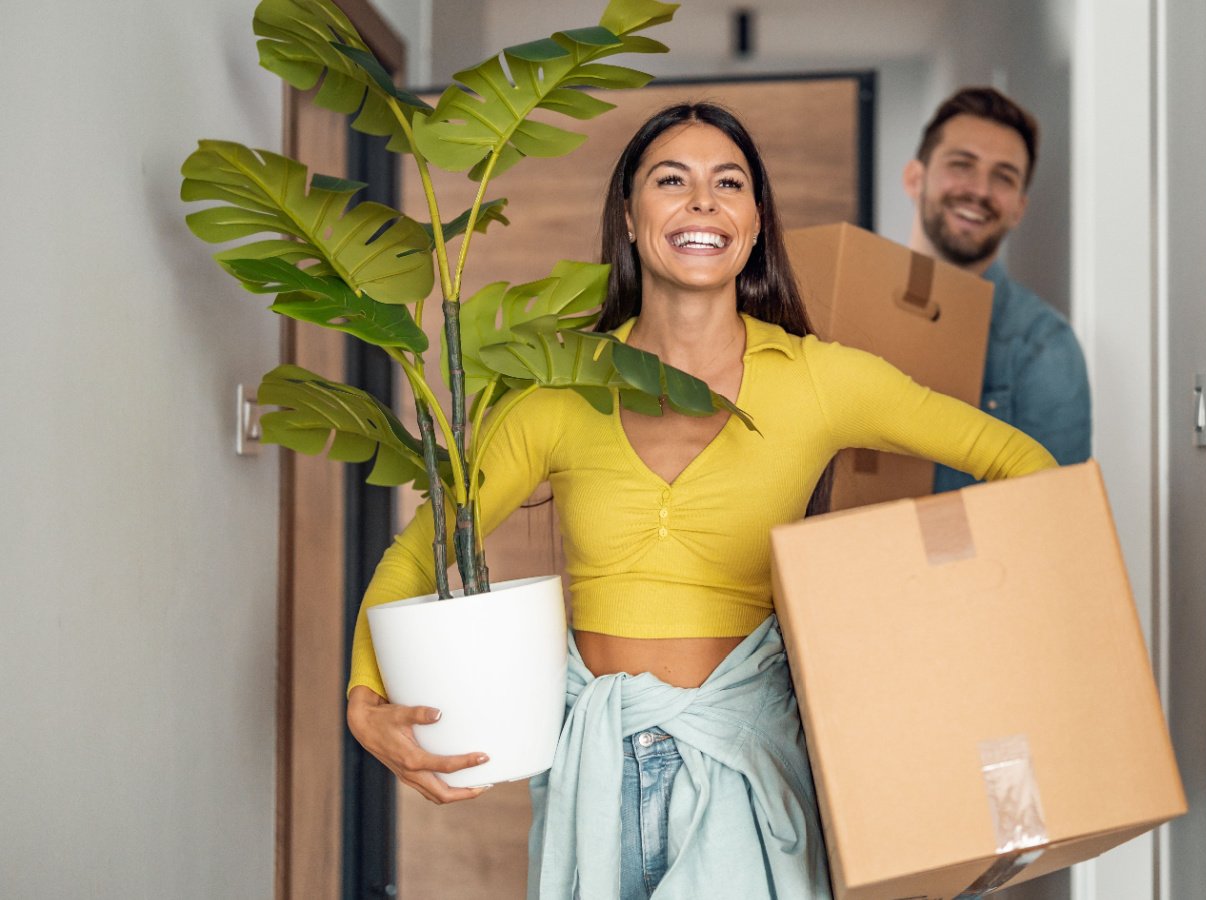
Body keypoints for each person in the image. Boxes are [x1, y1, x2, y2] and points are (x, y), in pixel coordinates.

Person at [345, 102, 1057, 900]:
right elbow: (426, 547)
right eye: (670, 180)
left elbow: (1020, 463)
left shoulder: (822, 381)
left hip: (749, 776)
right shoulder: (561, 391)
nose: (702, 201)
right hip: (596, 782)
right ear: (629, 216)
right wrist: (365, 702)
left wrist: (946, 636)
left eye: (729, 183)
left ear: (754, 224)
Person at [903, 86, 1093, 492]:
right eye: (962, 164)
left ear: (1019, 209)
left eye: (1003, 177)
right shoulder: (846, 307)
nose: (980, 190)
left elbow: (1055, 513)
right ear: (914, 179)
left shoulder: (1043, 345)